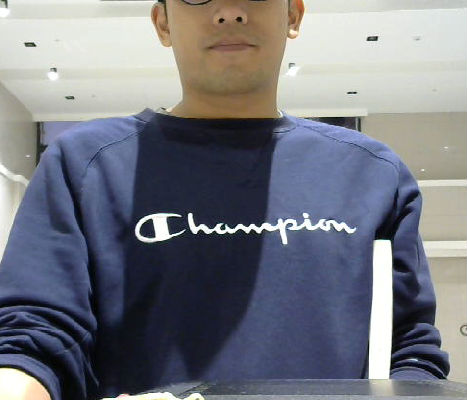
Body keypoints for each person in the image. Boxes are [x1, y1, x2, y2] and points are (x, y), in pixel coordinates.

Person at [0, 0, 450, 399]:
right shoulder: (86, 165)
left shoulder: (372, 174)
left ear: (293, 15)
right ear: (163, 23)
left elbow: (409, 350)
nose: (229, 11)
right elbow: (35, 339)